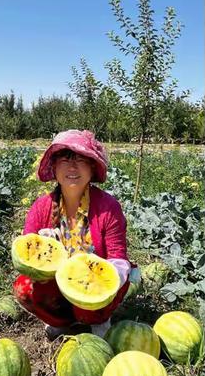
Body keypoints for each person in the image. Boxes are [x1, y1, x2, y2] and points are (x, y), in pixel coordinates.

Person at [14, 129, 132, 338]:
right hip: (56, 283)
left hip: (92, 283)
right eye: (65, 159)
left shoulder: (108, 207)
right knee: (24, 287)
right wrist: (42, 248)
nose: (72, 166)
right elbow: (28, 252)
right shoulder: (41, 207)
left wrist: (109, 277)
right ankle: (60, 321)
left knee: (92, 300)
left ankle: (98, 320)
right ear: (54, 167)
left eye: (81, 159)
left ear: (92, 167)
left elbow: (118, 257)